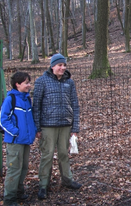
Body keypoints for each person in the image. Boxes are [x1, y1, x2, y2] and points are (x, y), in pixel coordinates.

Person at [33, 53, 81, 200]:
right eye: (60, 65)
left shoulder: (69, 82)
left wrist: (75, 128)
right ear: (52, 66)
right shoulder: (42, 81)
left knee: (64, 155)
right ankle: (43, 185)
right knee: (47, 155)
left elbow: (75, 104)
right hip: (48, 126)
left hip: (66, 125)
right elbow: (36, 106)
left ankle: (67, 180)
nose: (62, 68)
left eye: (64, 65)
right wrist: (37, 128)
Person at [0, 72, 37, 206]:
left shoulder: (26, 99)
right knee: (14, 169)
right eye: (26, 83)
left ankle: (19, 191)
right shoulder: (11, 99)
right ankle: (9, 198)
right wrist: (15, 132)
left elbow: (28, 118)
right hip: (15, 141)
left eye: (29, 82)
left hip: (26, 140)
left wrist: (33, 131)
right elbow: (3, 119)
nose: (29, 85)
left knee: (23, 168)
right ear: (18, 84)